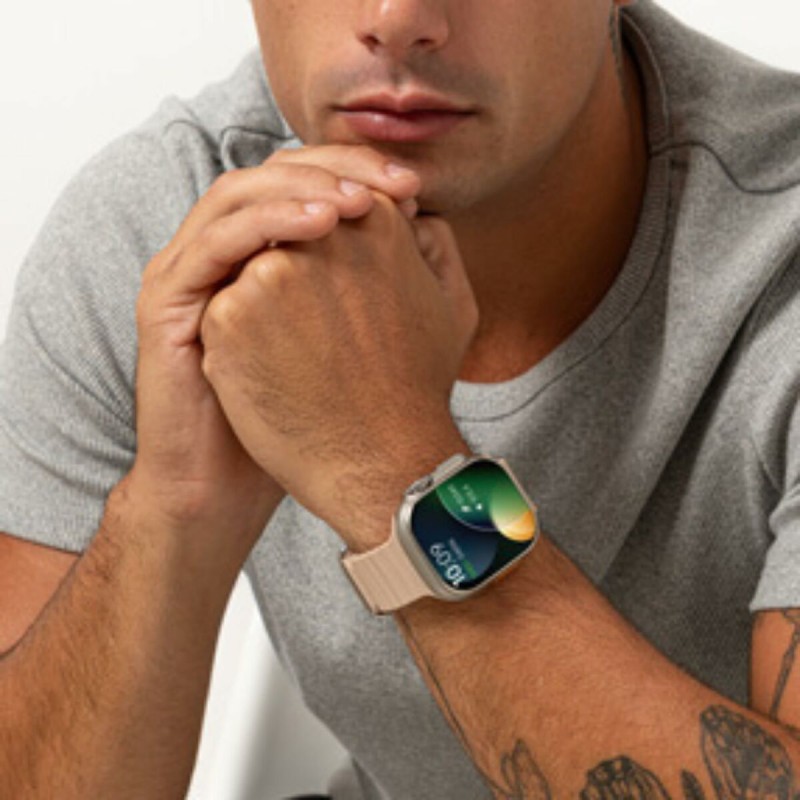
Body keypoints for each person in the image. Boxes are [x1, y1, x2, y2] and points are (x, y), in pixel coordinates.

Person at [1, 0, 800, 796]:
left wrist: (392, 466)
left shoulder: (777, 254)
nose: (396, 17)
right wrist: (175, 505)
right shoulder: (170, 224)